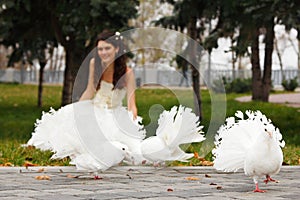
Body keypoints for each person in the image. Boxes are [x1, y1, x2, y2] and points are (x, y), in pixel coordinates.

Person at [26, 31, 146, 175]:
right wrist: (76, 108)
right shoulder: (94, 64)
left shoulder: (127, 72)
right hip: (95, 107)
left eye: (107, 48)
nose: (103, 52)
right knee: (71, 124)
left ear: (117, 49)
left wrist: (132, 121)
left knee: (121, 143)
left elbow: (131, 102)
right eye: (100, 49)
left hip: (114, 113)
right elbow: (90, 90)